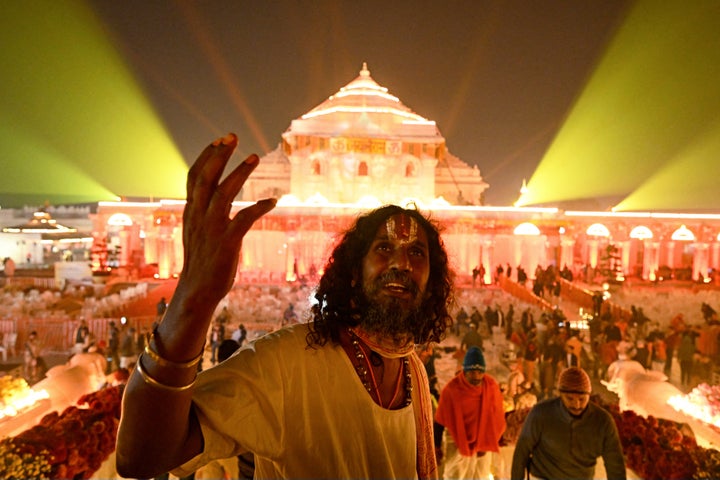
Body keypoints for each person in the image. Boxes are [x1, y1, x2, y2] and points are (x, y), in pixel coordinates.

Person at [116, 133, 454, 479]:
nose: (402, 263)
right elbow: (141, 457)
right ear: (353, 272)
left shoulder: (411, 369)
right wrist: (193, 297)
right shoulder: (288, 363)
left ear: (432, 282)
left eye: (417, 252)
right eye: (383, 248)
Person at [510, 367, 626, 480]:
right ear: (560, 395)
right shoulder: (541, 413)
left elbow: (615, 465)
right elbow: (522, 451)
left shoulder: (603, 422)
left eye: (582, 399)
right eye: (570, 399)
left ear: (589, 396)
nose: (576, 405)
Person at [434, 346, 505, 479]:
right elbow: (439, 421)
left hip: (482, 449)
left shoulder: (491, 387)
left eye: (480, 372)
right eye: (472, 372)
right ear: (465, 371)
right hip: (456, 444)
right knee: (455, 476)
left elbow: (497, 417)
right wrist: (436, 446)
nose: (476, 376)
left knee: (480, 477)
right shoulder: (451, 391)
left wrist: (489, 441)